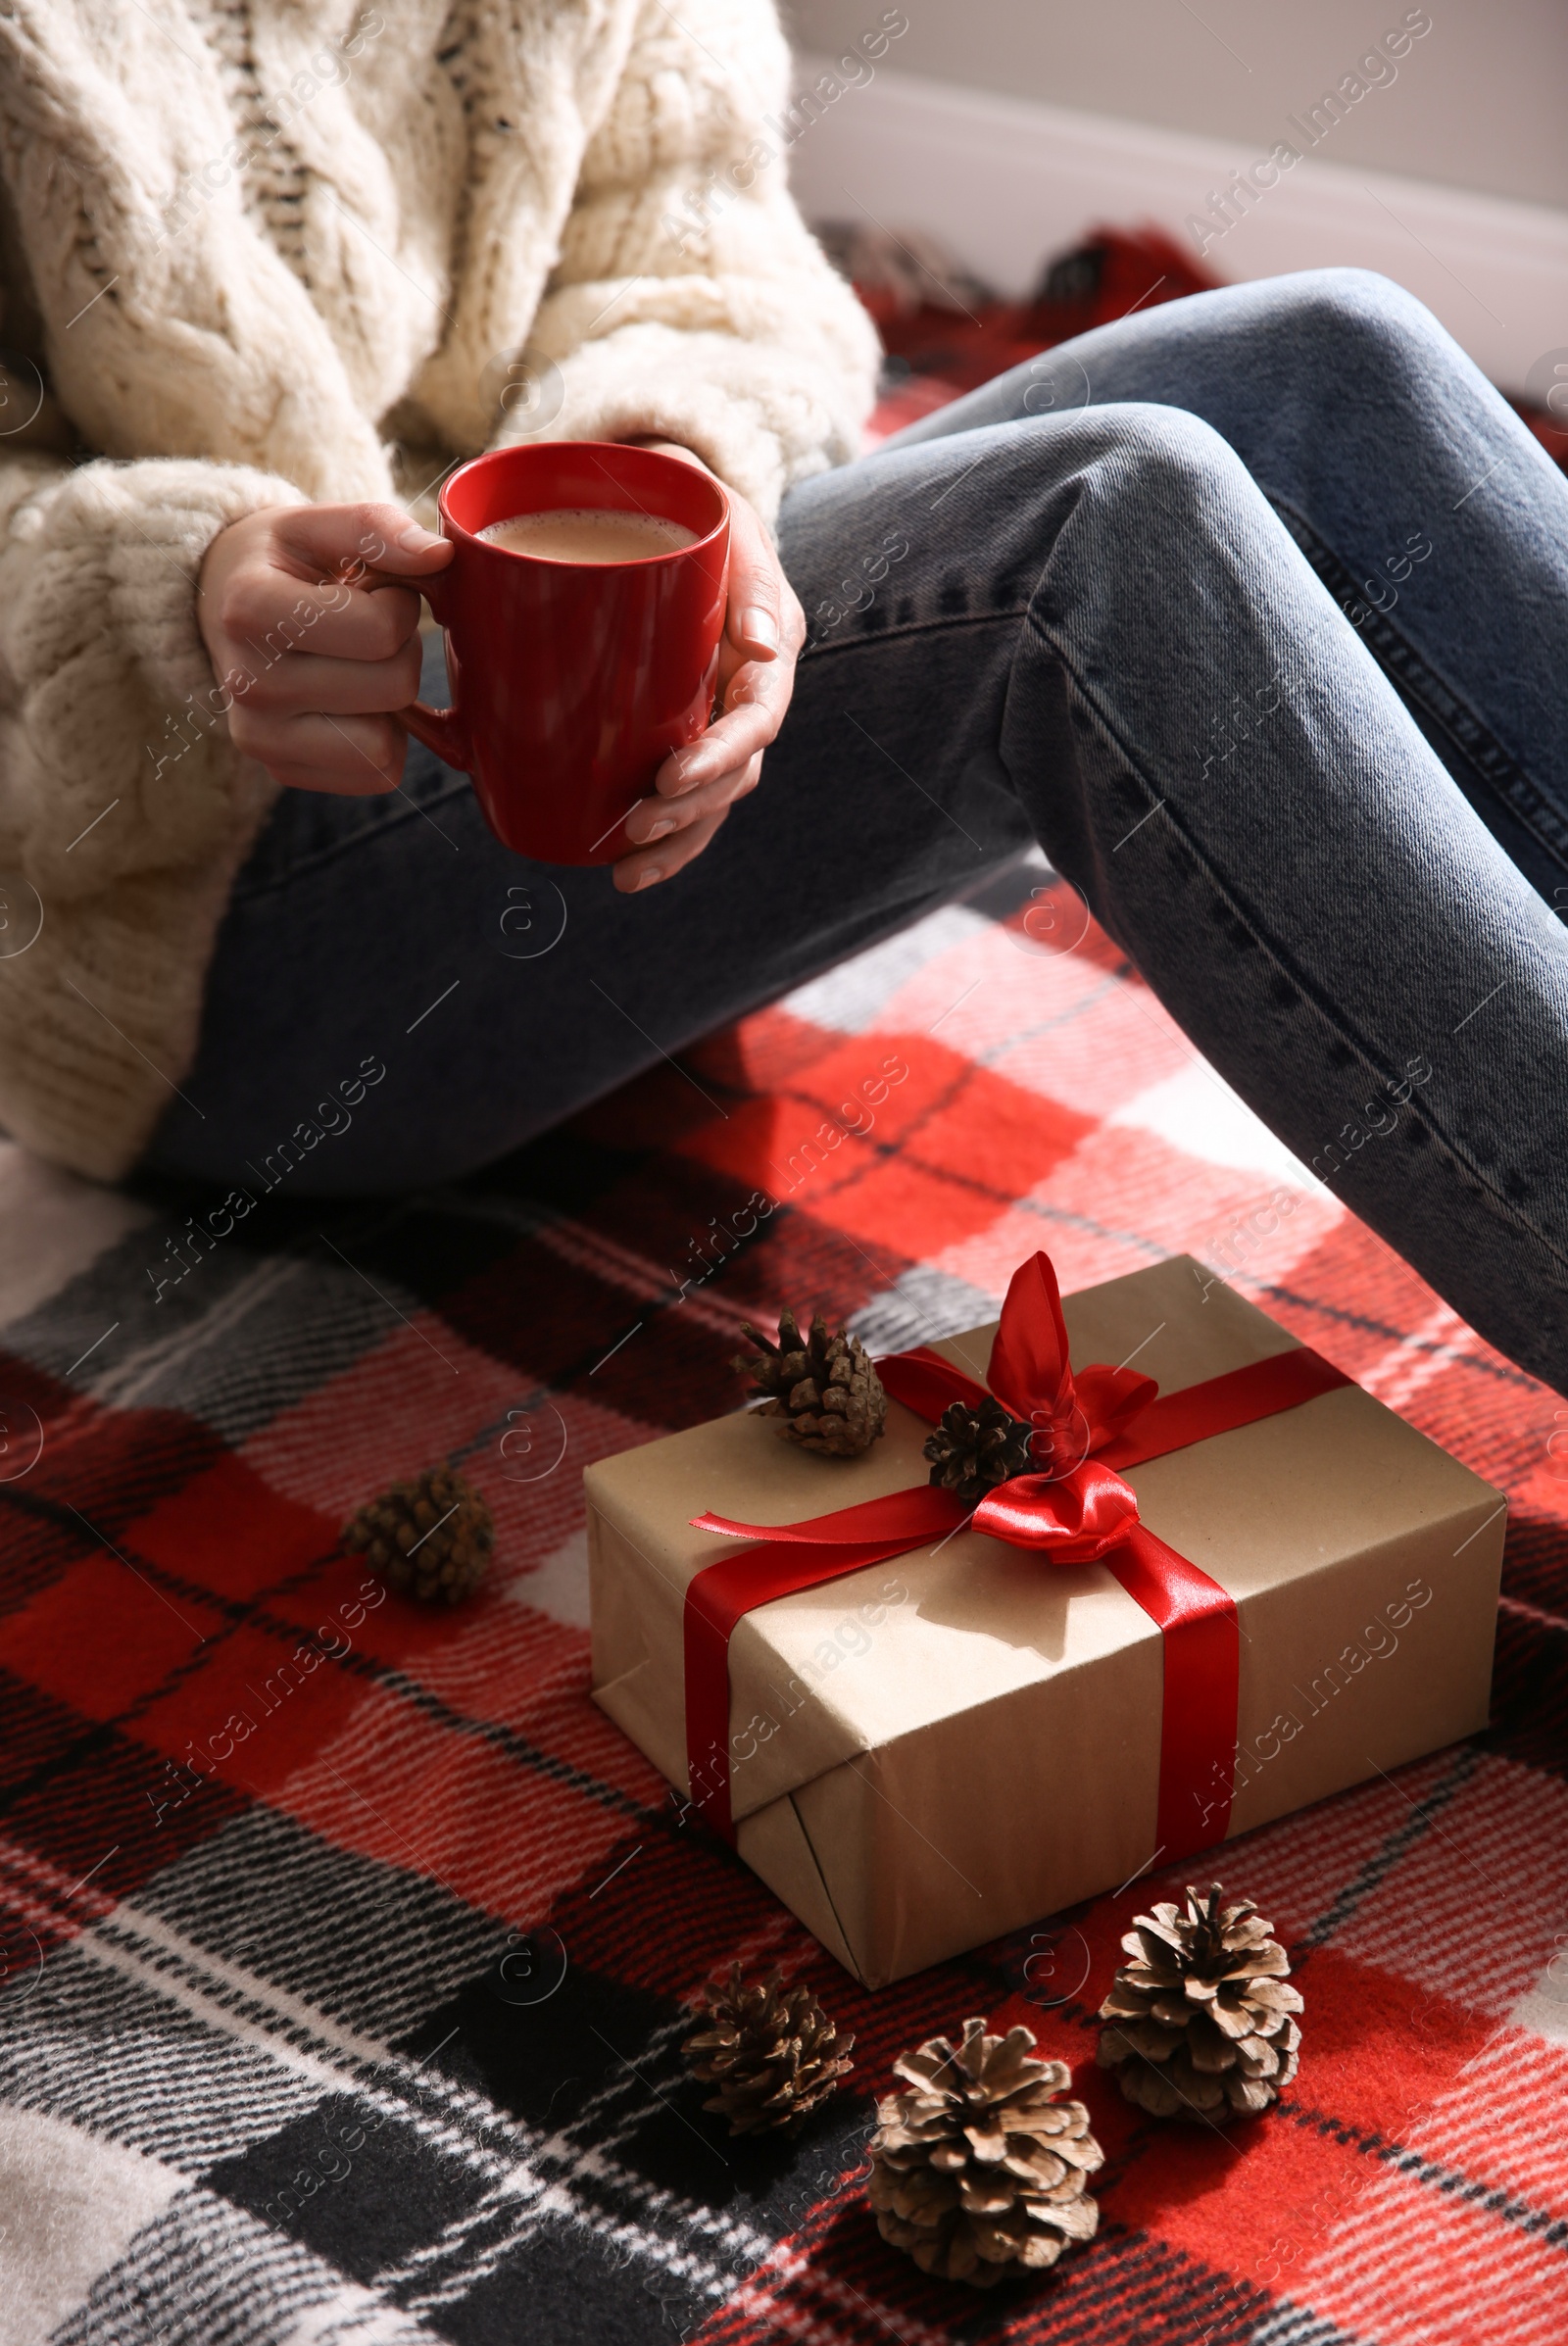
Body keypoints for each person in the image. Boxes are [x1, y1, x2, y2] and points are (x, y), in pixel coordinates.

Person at [1, 2, 1566, 1398]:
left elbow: (707, 250)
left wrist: (674, 480)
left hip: (578, 768)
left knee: (1324, 361)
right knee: (1099, 528)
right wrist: (169, 591)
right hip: (201, 935)